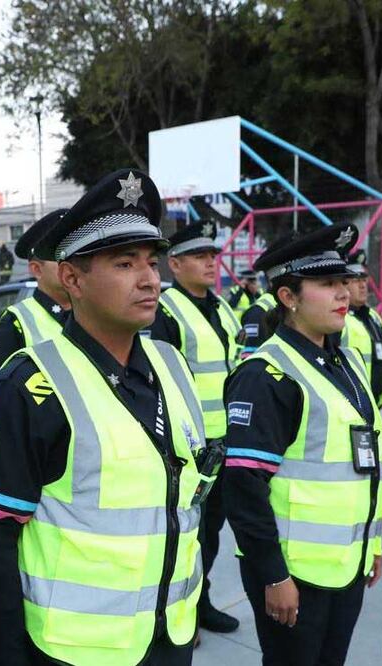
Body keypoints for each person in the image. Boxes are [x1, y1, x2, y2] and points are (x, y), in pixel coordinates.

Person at [0, 169, 206, 666]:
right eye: (124, 263)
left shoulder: (171, 363)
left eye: (151, 261)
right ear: (72, 279)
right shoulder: (31, 386)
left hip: (170, 637)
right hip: (74, 651)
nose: (149, 279)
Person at [223, 222, 382, 666]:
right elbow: (243, 489)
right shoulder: (267, 374)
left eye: (343, 281)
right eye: (326, 283)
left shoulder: (344, 358)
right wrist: (273, 576)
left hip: (345, 563)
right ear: (288, 297)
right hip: (293, 571)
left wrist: (370, 543)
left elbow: (364, 461)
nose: (344, 293)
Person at [148, 219, 242, 635]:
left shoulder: (222, 307)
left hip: (227, 443)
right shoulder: (166, 311)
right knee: (189, 533)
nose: (210, 263)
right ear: (175, 264)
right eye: (200, 256)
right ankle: (175, 613)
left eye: (212, 256)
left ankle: (200, 603)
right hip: (190, 448)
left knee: (212, 533)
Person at [0, 209, 70, 416]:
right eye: (60, 256)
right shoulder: (16, 323)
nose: (71, 263)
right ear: (37, 269)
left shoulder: (95, 314)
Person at [340, 250, 382, 404]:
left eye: (364, 279)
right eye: (356, 280)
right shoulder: (340, 319)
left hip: (378, 403)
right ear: (343, 283)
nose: (363, 285)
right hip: (351, 403)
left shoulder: (373, 316)